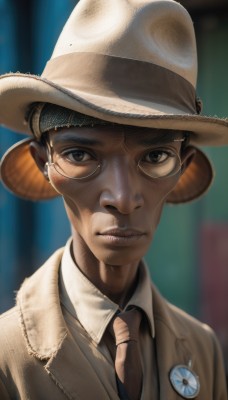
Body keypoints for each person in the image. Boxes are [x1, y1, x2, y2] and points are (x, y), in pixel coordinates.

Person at [0, 0, 227, 399]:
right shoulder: (6, 357)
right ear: (43, 163)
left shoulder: (202, 348)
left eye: (155, 157)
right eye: (80, 155)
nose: (122, 198)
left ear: (183, 165)